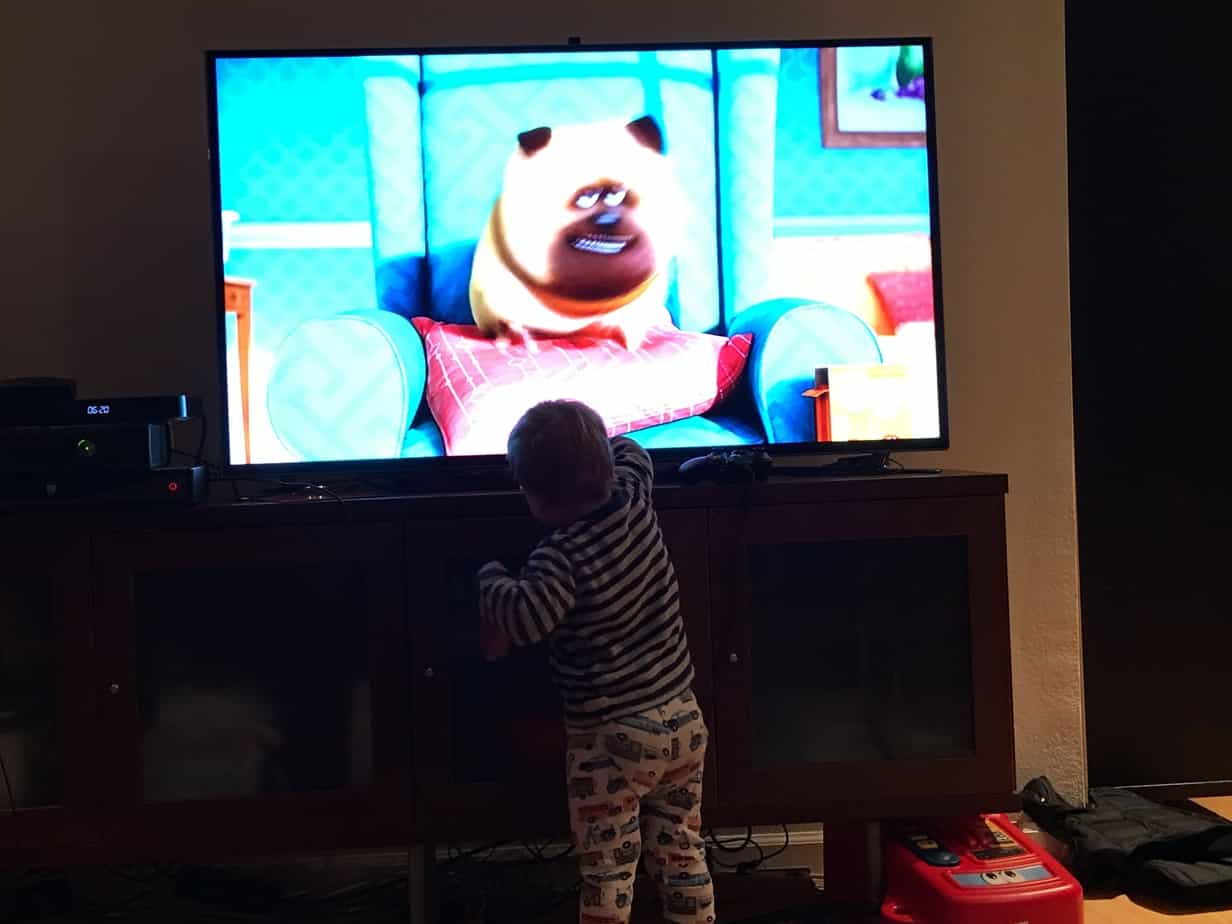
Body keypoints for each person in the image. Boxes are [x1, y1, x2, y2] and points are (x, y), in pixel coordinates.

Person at [478, 399, 714, 924]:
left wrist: (490, 576)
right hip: (682, 718)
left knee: (609, 866)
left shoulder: (559, 557)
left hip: (612, 737)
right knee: (681, 846)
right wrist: (598, 448)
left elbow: (524, 618)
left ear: (536, 496)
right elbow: (634, 451)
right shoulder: (634, 496)